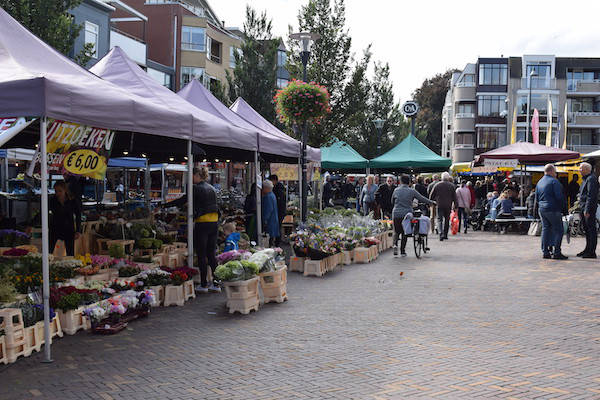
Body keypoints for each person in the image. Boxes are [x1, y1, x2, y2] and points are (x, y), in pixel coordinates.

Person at [391, 175, 435, 256]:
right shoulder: (412, 191)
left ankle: (395, 245)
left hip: (396, 213)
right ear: (409, 182)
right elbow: (421, 198)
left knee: (396, 231)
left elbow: (392, 201)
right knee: (405, 232)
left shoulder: (396, 190)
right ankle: (402, 251)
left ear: (400, 182)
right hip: (407, 214)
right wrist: (431, 202)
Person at [535, 164, 568, 260]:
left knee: (546, 229)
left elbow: (536, 198)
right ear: (551, 171)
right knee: (559, 230)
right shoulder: (554, 182)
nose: (556, 173)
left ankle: (545, 251)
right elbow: (560, 197)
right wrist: (564, 209)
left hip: (542, 209)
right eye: (555, 171)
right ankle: (557, 252)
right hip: (553, 209)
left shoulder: (539, 182)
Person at [49, 181, 81, 257]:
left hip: (68, 228)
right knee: (49, 250)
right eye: (56, 191)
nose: (58, 193)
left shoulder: (72, 201)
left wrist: (78, 230)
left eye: (60, 191)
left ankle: (71, 266)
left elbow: (78, 215)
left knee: (70, 252)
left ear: (65, 190)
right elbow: (43, 212)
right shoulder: (52, 200)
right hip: (55, 227)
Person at [577, 162, 598, 258]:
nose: (579, 170)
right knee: (586, 230)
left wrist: (587, 210)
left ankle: (591, 252)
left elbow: (591, 196)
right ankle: (587, 249)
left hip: (588, 209)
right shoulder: (585, 179)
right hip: (583, 207)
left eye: (581, 168)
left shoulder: (591, 179)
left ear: (587, 169)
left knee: (591, 230)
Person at [429, 172, 457, 241]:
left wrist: (431, 203)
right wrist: (456, 205)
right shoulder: (452, 186)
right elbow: (455, 197)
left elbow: (431, 195)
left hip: (439, 204)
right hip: (448, 205)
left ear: (441, 178)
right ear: (448, 178)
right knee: (447, 220)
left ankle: (440, 233)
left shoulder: (437, 185)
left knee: (439, 220)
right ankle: (445, 234)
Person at [261, 180, 279, 247]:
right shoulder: (272, 195)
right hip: (273, 220)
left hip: (270, 221)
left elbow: (267, 210)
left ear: (266, 188)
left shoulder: (268, 197)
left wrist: (264, 220)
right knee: (271, 240)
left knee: (269, 240)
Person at [270, 175, 286, 245]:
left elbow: (280, 202)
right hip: (279, 211)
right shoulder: (278, 188)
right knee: (277, 226)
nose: (271, 183)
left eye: (271, 181)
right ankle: (276, 241)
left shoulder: (279, 189)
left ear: (275, 180)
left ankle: (277, 242)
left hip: (279, 211)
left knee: (277, 226)